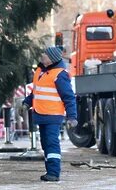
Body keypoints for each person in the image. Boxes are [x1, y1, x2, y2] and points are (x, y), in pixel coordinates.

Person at [23, 47, 77, 182]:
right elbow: (35, 92)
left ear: (52, 59)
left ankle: (54, 173)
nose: (42, 56)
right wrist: (26, 103)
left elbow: (69, 97)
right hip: (41, 114)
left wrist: (72, 117)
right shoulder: (40, 72)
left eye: (45, 54)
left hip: (53, 115)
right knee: (46, 144)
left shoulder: (59, 74)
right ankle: (50, 171)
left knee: (52, 143)